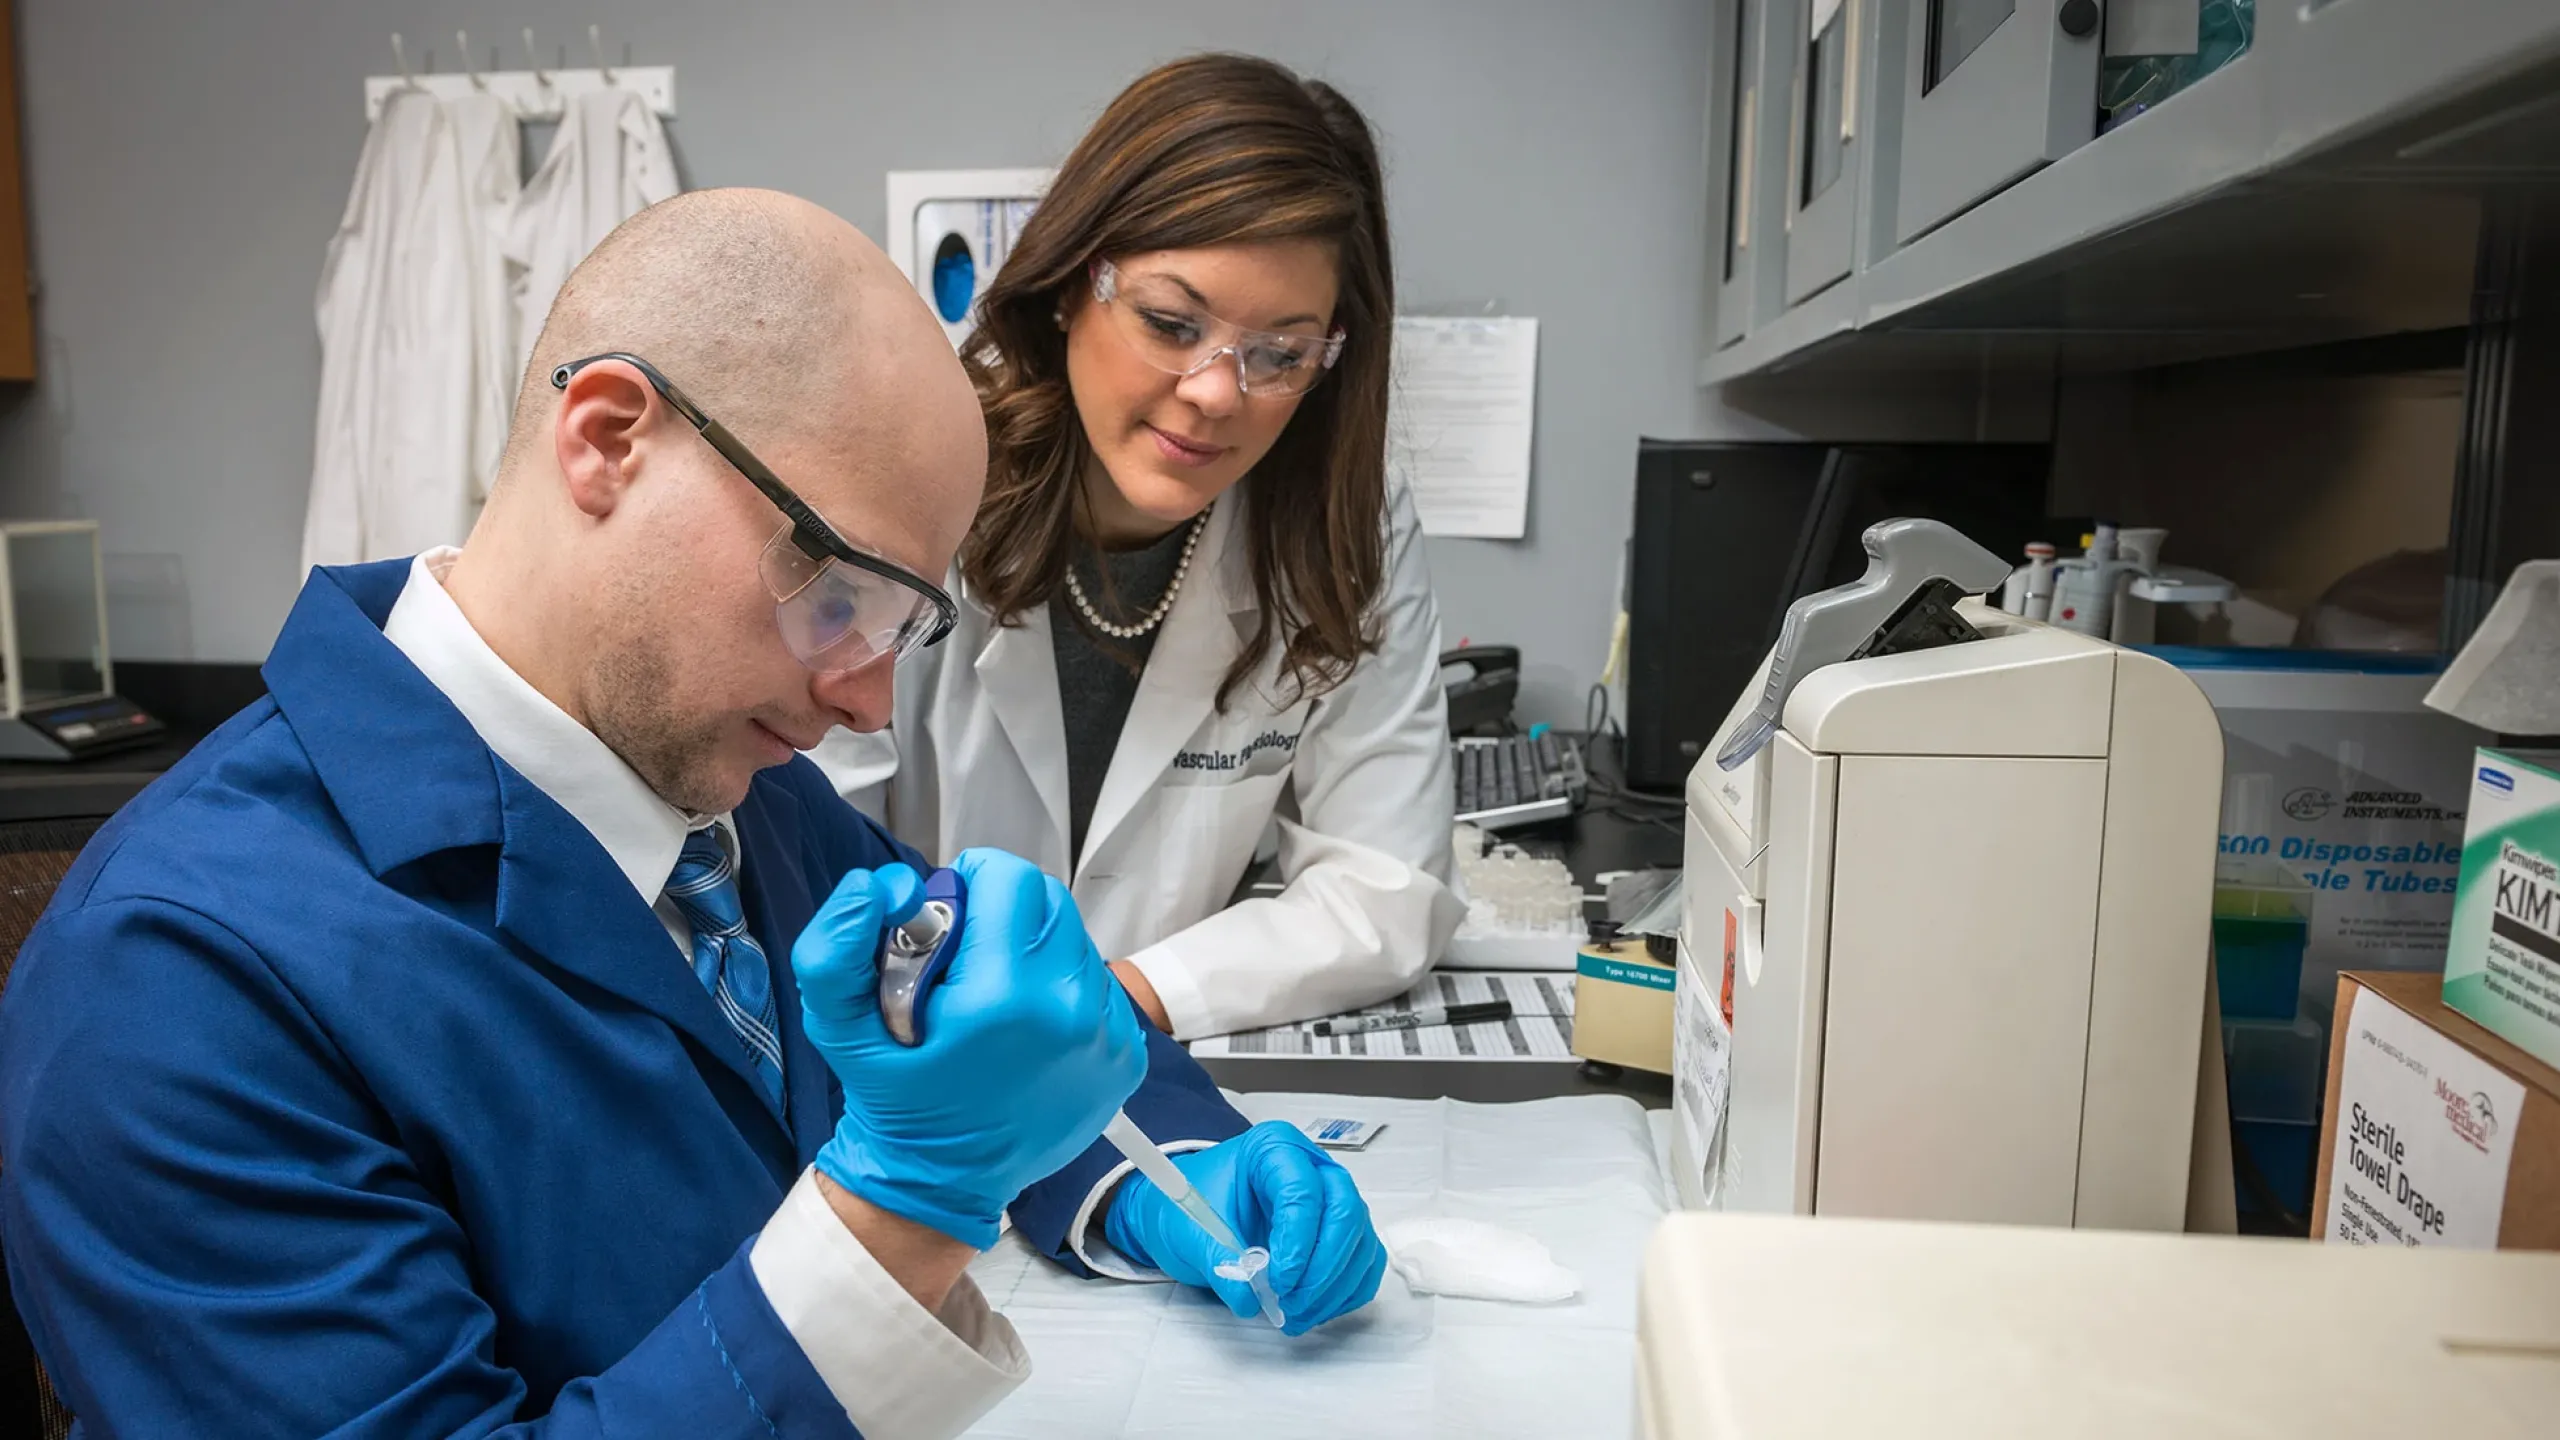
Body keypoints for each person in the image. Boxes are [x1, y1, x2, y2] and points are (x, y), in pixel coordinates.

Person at [0, 189, 1384, 1438]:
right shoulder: (176, 981)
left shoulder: (729, 800)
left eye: (903, 623)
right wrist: (902, 1210)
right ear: (609, 440)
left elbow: (982, 1028)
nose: (865, 710)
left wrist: (1163, 1175)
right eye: (838, 591)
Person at [814, 54, 1463, 1041]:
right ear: (1075, 283)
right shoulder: (908, 482)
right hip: (891, 1061)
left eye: (1279, 354)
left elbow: (1385, 887)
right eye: (1170, 322)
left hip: (1150, 1059)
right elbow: (805, 850)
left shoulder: (1347, 528)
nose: (1216, 392)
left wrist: (1109, 1001)